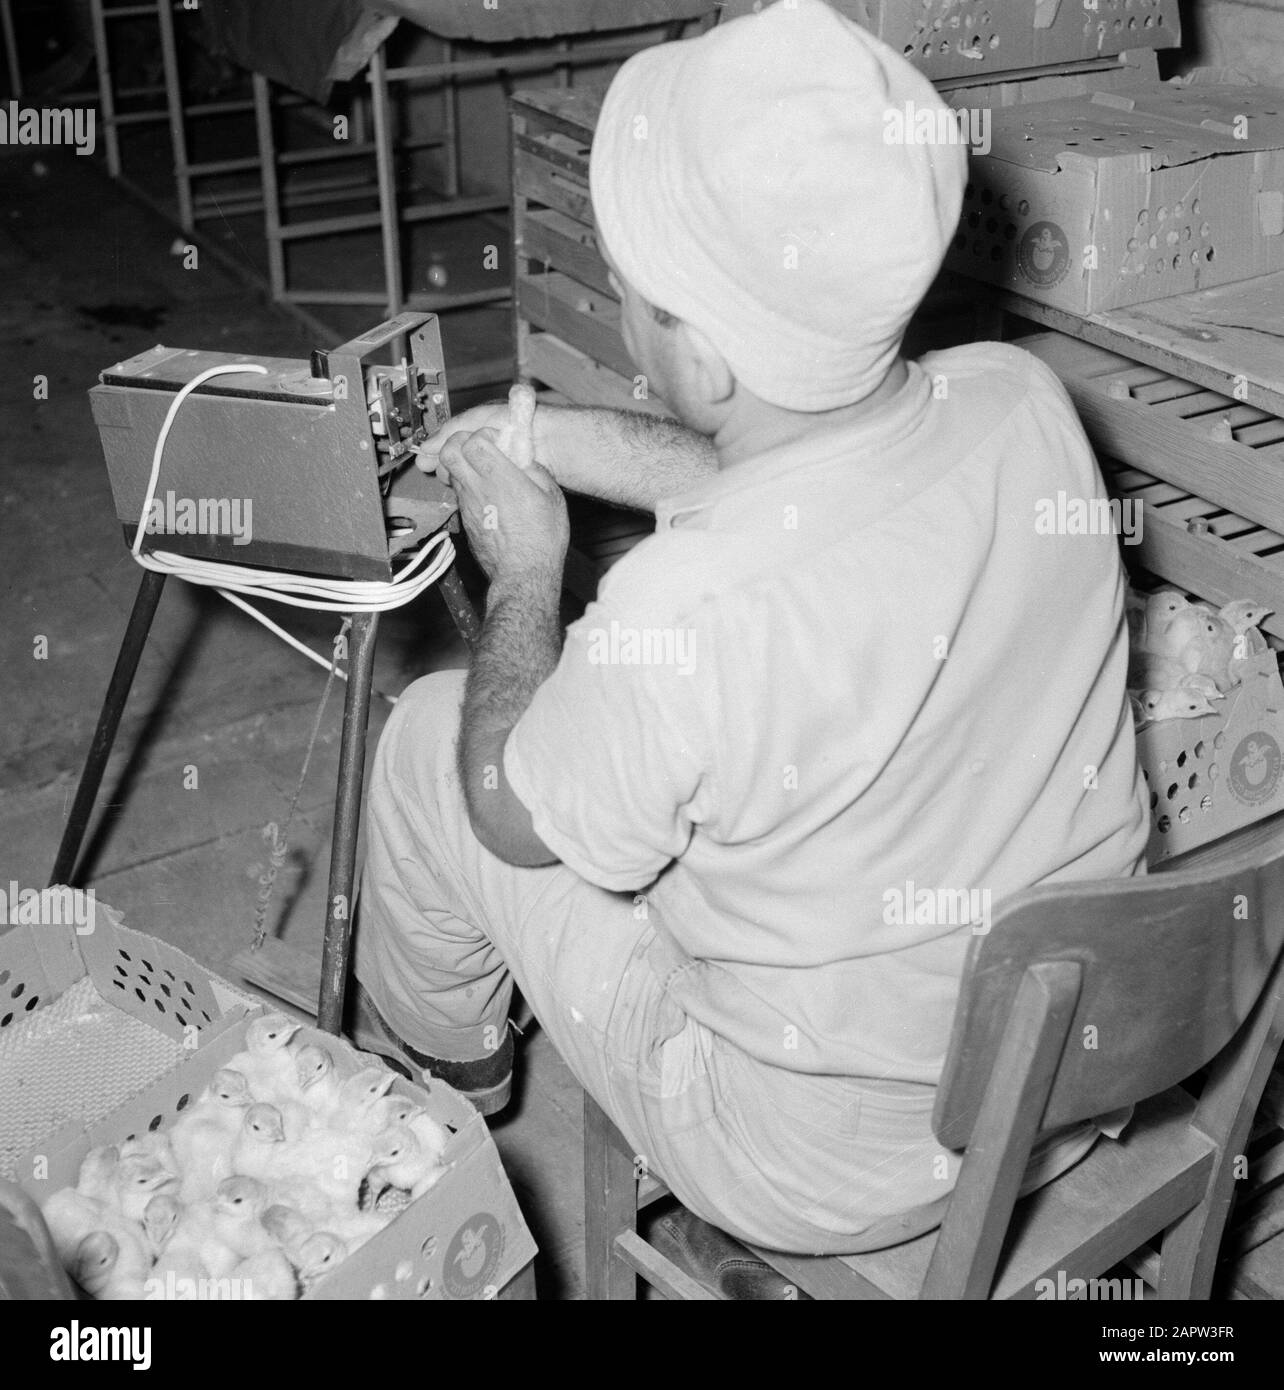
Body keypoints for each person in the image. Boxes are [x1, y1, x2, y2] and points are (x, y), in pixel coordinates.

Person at [350, 0, 1150, 1281]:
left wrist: (527, 580)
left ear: (706, 362)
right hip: (1070, 1067)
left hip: (811, 1162)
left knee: (432, 743)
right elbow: (797, 488)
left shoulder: (686, 611)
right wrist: (555, 440)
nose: (618, 300)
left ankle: (446, 1067)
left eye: (635, 296)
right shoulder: (1024, 409)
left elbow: (509, 809)